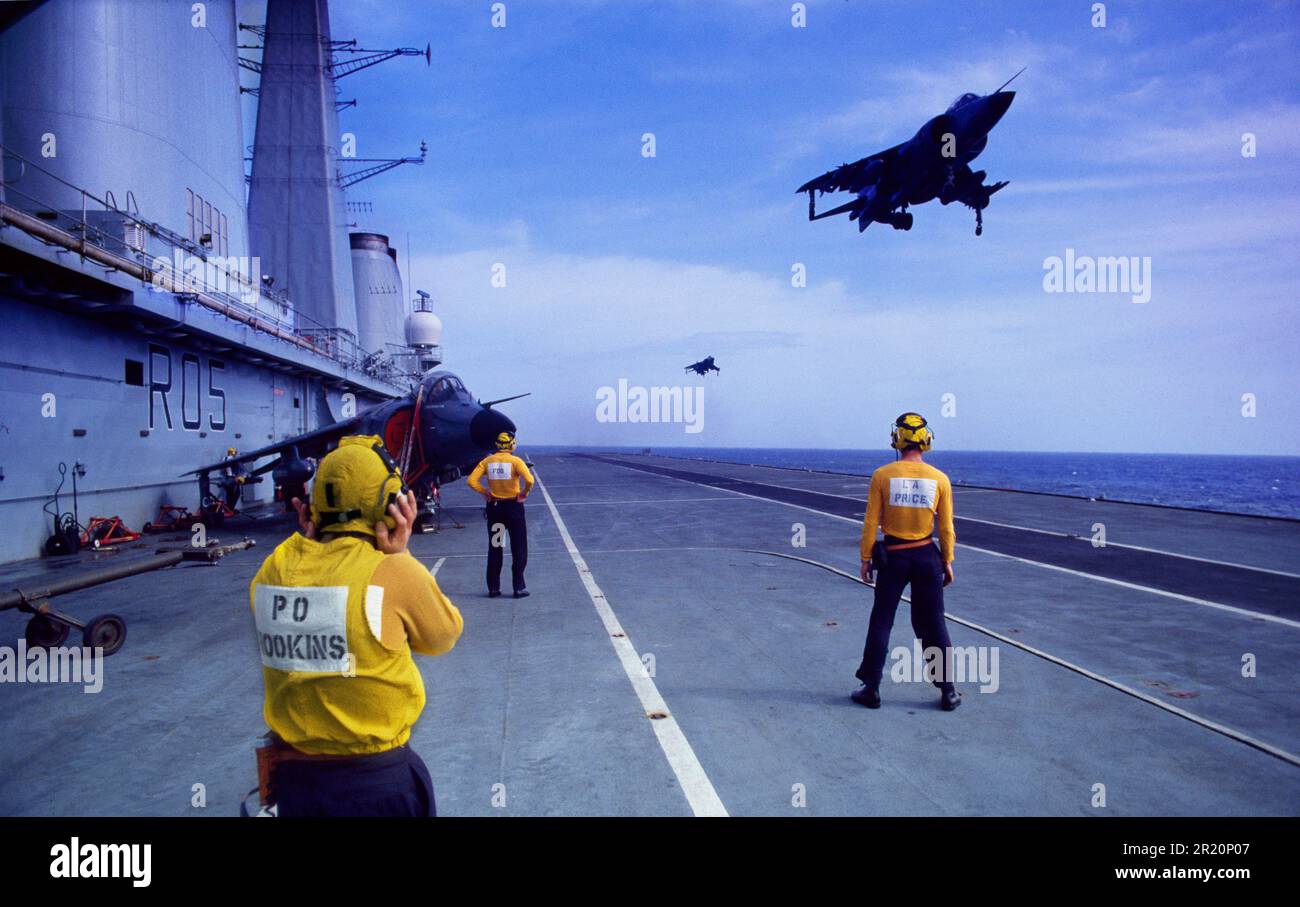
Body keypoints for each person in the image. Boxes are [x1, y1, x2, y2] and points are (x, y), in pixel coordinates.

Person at [248, 434, 463, 816]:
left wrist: (308, 538)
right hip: (375, 785)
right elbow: (442, 637)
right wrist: (403, 554)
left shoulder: (273, 568)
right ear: (392, 504)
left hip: (295, 783)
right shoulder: (392, 572)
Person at [852, 413, 960, 711]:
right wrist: (947, 561)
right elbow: (947, 528)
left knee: (882, 620)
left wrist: (865, 558)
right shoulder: (940, 479)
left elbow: (871, 522)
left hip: (893, 557)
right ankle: (948, 691)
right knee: (933, 622)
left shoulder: (882, 475)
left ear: (896, 440)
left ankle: (871, 688)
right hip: (927, 556)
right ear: (926, 441)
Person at [467, 431, 534, 598]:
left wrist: (485, 492)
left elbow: (471, 481)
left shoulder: (487, 461)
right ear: (511, 444)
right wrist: (524, 493)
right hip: (513, 509)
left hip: (495, 509)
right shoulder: (515, 461)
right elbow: (530, 480)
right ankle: (518, 587)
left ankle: (494, 588)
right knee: (519, 548)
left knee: (496, 547)